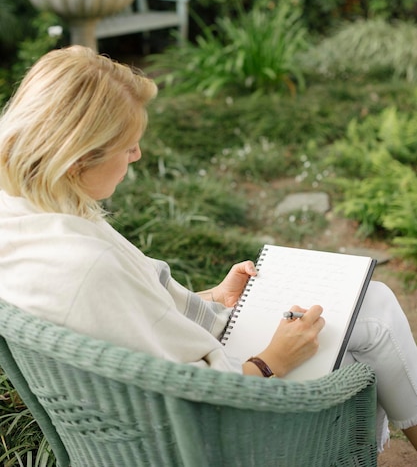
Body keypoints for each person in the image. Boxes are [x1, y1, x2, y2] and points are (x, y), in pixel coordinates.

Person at [0, 45, 416, 454]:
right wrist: (274, 359)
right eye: (127, 146)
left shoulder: (24, 218)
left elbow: (127, 318)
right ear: (75, 159)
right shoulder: (87, 265)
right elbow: (201, 398)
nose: (137, 154)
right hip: (208, 437)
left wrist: (214, 299)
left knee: (368, 309)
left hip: (124, 434)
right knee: (373, 318)